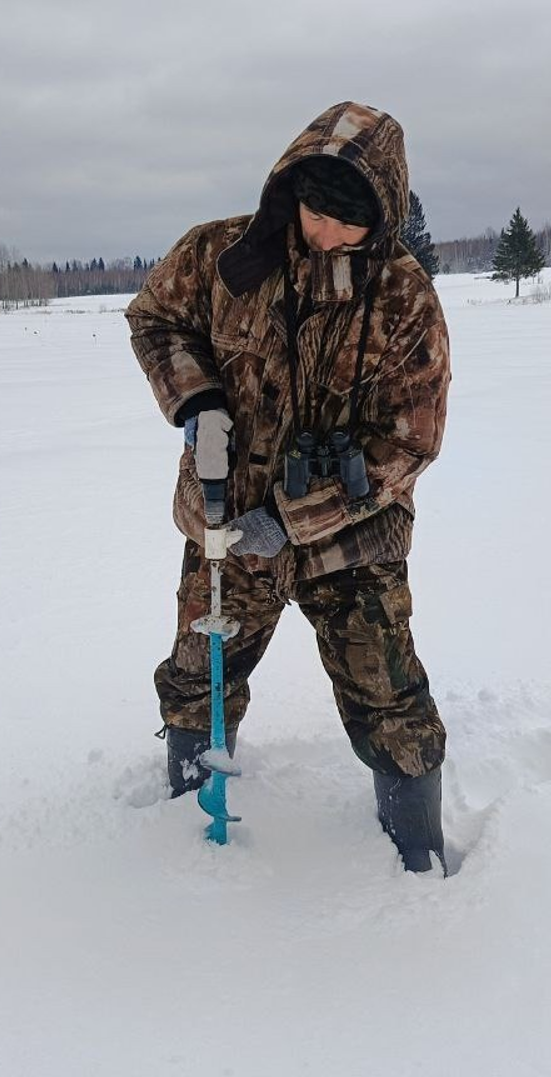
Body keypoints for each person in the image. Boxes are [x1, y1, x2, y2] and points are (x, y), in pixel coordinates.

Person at [126, 102, 452, 874]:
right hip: (227, 523)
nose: (323, 233)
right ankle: (182, 834)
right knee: (197, 678)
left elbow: (411, 439)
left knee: (390, 697)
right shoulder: (220, 255)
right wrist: (195, 397)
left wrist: (294, 516)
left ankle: (418, 859)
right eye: (313, 209)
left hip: (352, 537)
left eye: (347, 221)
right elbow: (155, 321)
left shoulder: (403, 297)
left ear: (384, 213)